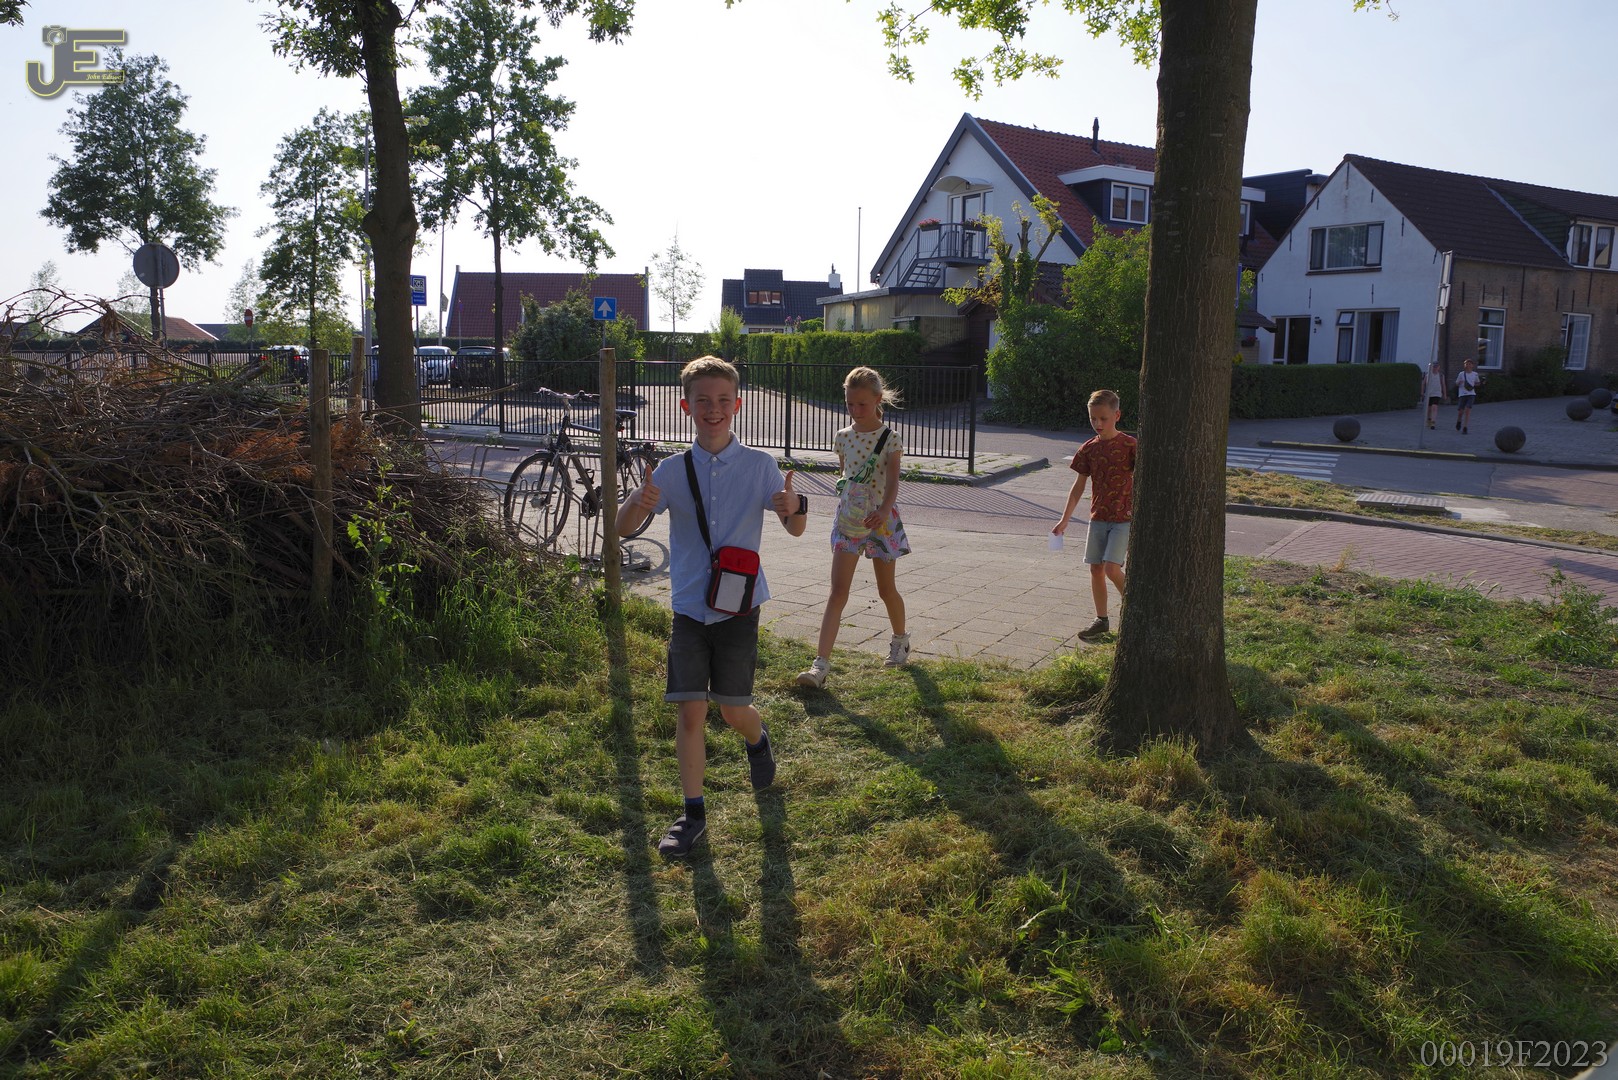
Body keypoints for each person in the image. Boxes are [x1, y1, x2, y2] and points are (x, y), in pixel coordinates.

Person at [617, 356, 809, 859]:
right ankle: (692, 814)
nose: (713, 409)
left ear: (737, 405)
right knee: (691, 712)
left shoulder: (760, 466)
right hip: (688, 607)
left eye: (723, 400)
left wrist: (795, 509)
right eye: (702, 400)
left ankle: (757, 739)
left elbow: (795, 528)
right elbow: (620, 528)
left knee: (732, 709)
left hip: (739, 608)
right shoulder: (670, 471)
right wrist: (638, 500)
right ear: (686, 407)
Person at [797, 367, 912, 689]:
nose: (855, 410)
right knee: (838, 592)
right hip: (849, 520)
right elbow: (844, 476)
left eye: (862, 404)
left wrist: (884, 510)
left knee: (886, 590)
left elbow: (893, 482)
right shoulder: (843, 437)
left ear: (877, 400)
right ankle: (820, 665)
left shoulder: (890, 438)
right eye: (850, 404)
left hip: (881, 522)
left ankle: (900, 641)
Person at [1052, 389, 1137, 643]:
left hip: (1124, 517)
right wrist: (1065, 519)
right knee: (1096, 569)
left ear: (1117, 416)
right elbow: (1078, 486)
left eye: (1103, 418)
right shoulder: (1088, 449)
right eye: (1093, 418)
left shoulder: (1130, 445)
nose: (1098, 424)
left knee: (1112, 568)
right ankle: (1102, 620)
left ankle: (1135, 612)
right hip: (1098, 516)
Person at [1454, 356, 1483, 434]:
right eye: (1466, 364)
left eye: (1470, 364)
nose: (1468, 365)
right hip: (1462, 394)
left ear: (1472, 365)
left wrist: (1475, 384)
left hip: (1471, 394)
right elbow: (1456, 383)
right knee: (1460, 412)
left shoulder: (1475, 374)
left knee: (1467, 410)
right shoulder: (1461, 374)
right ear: (1464, 365)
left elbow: (1478, 383)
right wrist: (1459, 383)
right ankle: (1459, 421)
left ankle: (1465, 427)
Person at [1420, 361, 1448, 429]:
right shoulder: (1428, 375)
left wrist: (1445, 394)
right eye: (1434, 367)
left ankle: (1433, 422)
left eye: (1436, 367)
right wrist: (1422, 392)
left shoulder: (1441, 375)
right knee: (1429, 408)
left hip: (1437, 393)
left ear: (1438, 367)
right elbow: (1423, 384)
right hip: (1429, 394)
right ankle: (1429, 419)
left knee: (1434, 407)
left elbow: (1443, 385)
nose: (1435, 368)